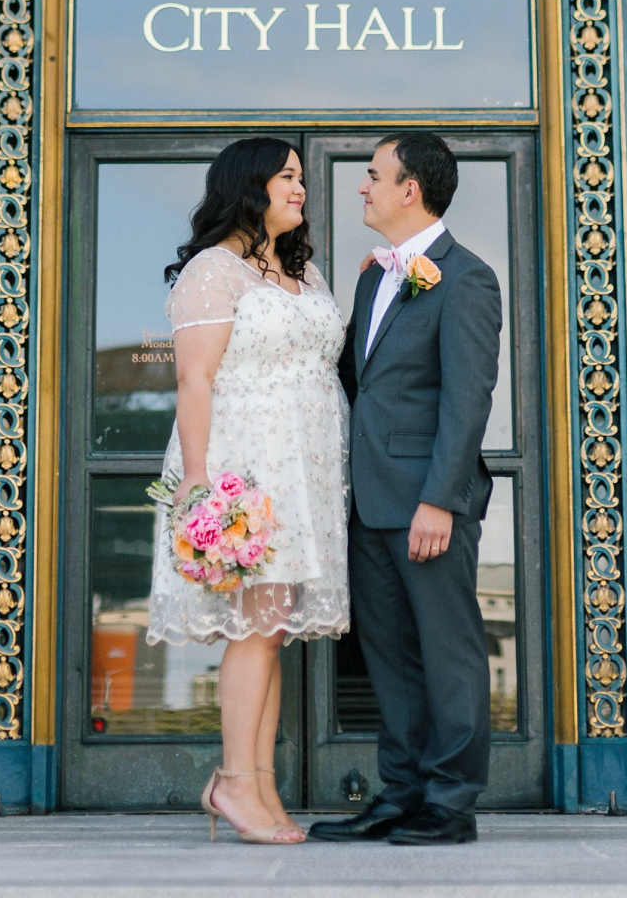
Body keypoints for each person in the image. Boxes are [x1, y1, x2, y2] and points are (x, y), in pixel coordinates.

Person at [148, 137, 351, 844]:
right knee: (255, 629)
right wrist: (201, 485)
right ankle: (234, 783)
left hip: (308, 471)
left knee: (274, 631)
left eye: (299, 178)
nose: (301, 188)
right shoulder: (214, 270)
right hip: (247, 466)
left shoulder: (307, 274)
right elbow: (194, 380)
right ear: (250, 185)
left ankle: (258, 786)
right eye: (288, 177)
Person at [309, 132, 501, 846]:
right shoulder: (373, 276)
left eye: (372, 175)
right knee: (388, 657)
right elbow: (361, 383)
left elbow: (467, 400)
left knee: (447, 653)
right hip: (368, 502)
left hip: (427, 503)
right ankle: (401, 793)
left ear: (409, 189)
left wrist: (438, 500)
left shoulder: (468, 277)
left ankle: (451, 803)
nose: (362, 186)